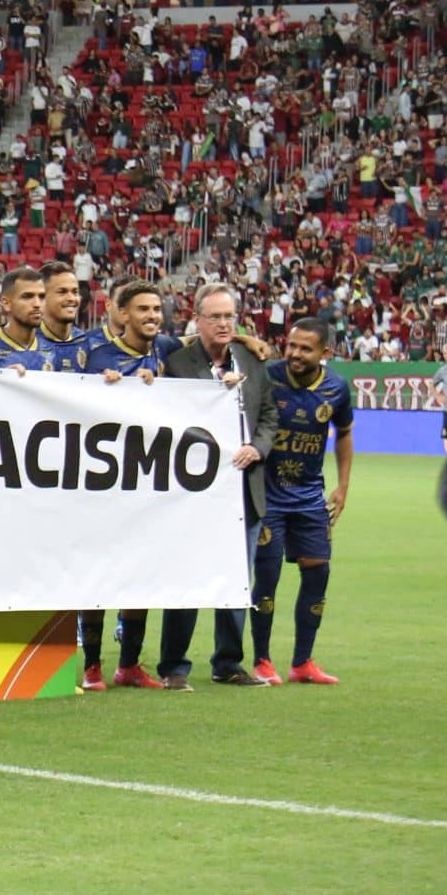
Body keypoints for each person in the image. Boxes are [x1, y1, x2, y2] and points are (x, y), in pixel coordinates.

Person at [149, 283, 280, 690]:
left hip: (243, 486)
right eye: (215, 317)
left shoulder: (253, 362)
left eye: (229, 317)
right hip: (193, 490)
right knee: (185, 575)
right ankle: (173, 666)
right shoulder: (178, 363)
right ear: (198, 319)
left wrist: (257, 449)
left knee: (235, 579)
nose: (223, 324)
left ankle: (227, 662)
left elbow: (269, 415)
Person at [74, 278, 169, 691]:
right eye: (143, 309)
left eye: (156, 310)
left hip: (148, 484)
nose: (151, 316)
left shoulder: (168, 352)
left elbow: (210, 353)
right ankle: (93, 665)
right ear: (122, 314)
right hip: (101, 484)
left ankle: (129, 665)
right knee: (97, 576)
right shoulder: (97, 359)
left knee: (141, 574)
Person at [252, 319, 355, 685]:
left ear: (325, 353)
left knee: (318, 573)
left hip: (310, 497)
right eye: (291, 345)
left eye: (304, 348)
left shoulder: (337, 388)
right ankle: (262, 661)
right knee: (267, 577)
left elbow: (343, 435)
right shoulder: (267, 376)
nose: (294, 354)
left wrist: (342, 486)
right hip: (268, 497)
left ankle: (302, 662)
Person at [0, 267, 52, 371]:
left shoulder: (53, 348)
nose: (37, 304)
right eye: (27, 297)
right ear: (6, 303)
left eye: (42, 297)